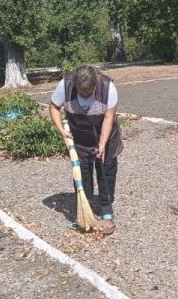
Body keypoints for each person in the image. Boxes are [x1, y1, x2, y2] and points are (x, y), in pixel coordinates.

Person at [48, 64, 123, 226]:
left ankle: (106, 208)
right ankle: (85, 208)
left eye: (88, 92)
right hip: (79, 138)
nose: (84, 94)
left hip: (105, 136)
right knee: (82, 175)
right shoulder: (65, 85)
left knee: (105, 172)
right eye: (81, 91)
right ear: (75, 84)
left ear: (95, 84)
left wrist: (102, 143)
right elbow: (54, 107)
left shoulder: (107, 87)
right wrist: (62, 131)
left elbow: (109, 117)